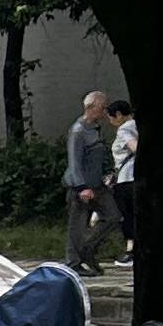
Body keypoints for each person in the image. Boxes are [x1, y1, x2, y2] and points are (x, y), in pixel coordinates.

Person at [67, 91, 118, 269]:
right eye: (102, 107)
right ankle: (74, 262)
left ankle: (88, 249)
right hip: (82, 186)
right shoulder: (78, 131)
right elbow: (74, 161)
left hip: (98, 184)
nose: (105, 111)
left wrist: (108, 173)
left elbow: (100, 156)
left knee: (113, 216)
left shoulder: (95, 129)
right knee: (78, 225)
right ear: (91, 107)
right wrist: (82, 187)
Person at [117, 105, 147, 265]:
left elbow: (134, 147)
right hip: (138, 176)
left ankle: (131, 251)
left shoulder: (124, 129)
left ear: (118, 115)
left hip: (127, 178)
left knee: (128, 215)